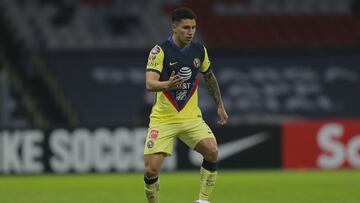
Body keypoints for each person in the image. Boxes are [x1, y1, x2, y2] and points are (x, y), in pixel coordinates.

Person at [143, 7, 228, 203]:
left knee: (212, 151)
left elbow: (208, 76)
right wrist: (167, 84)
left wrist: (220, 105)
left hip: (190, 117)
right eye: (186, 28)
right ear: (174, 27)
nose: (191, 32)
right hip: (164, 119)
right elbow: (150, 83)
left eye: (193, 28)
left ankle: (202, 201)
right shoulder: (159, 51)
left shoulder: (199, 50)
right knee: (151, 170)